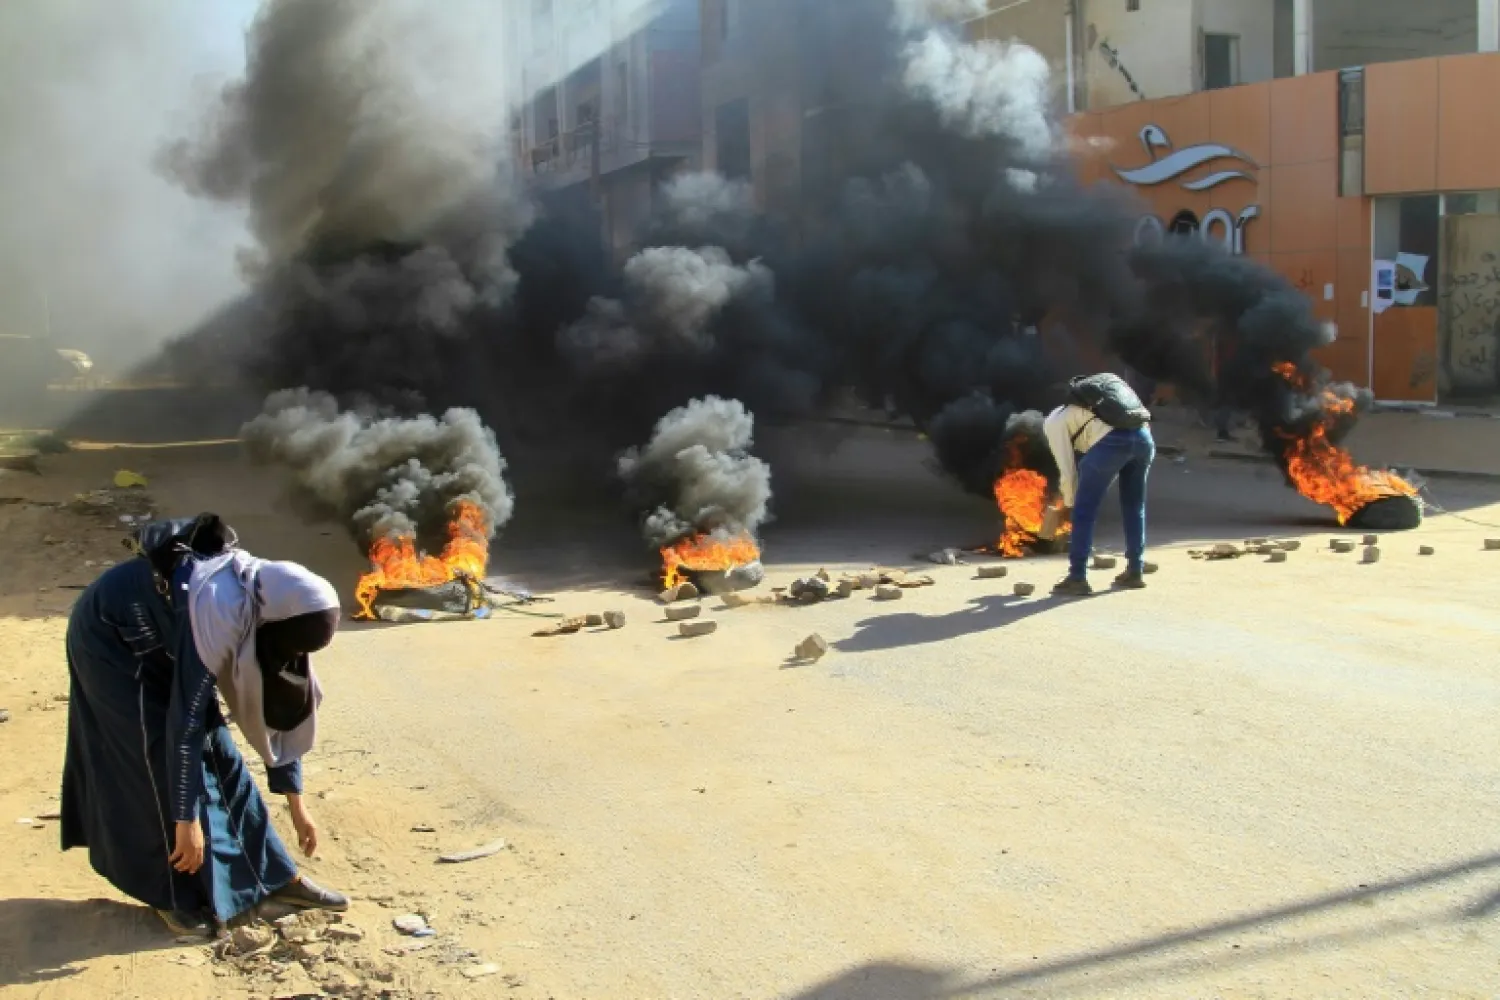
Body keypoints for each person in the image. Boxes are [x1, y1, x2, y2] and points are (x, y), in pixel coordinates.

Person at [60, 515, 349, 937]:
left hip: (170, 640)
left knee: (222, 757)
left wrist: (296, 803)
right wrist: (186, 822)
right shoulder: (219, 609)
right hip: (112, 640)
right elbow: (185, 725)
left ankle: (273, 879)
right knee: (154, 761)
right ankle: (171, 897)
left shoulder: (278, 610)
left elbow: (284, 712)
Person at [1043, 373, 1156, 596]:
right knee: (1134, 506)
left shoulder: (1053, 422)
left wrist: (1069, 503)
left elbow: (1067, 470)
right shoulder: (1103, 403)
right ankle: (1135, 570)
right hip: (1143, 438)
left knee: (1084, 511)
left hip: (1111, 443)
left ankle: (1077, 577)